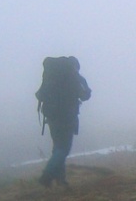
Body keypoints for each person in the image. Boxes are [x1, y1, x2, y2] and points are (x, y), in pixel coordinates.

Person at [35, 56, 91, 188]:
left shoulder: (50, 76)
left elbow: (39, 95)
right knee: (63, 149)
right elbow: (85, 95)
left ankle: (61, 180)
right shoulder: (75, 77)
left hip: (52, 116)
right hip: (68, 117)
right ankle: (46, 176)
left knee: (58, 147)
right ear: (75, 66)